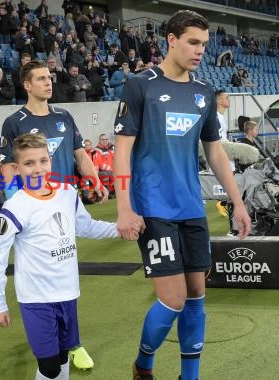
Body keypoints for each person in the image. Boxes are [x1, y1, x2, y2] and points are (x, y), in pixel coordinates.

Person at [112, 10, 251, 380]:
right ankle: (144, 364)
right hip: (153, 206)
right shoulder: (140, 84)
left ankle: (190, 377)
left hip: (191, 207)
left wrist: (237, 202)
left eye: (204, 44)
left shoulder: (204, 92)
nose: (199, 50)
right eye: (192, 42)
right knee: (172, 300)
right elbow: (122, 149)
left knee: (196, 295)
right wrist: (124, 207)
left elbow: (216, 152)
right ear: (170, 40)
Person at [0, 59, 106, 370]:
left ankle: (74, 342)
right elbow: (8, 165)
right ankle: (62, 346)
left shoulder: (64, 116)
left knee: (66, 272)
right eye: (41, 78)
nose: (48, 82)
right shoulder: (14, 121)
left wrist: (94, 179)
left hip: (65, 199)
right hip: (34, 210)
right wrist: (10, 199)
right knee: (48, 275)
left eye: (50, 77)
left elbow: (79, 154)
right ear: (27, 85)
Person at [0, 133, 118, 380]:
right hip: (36, 299)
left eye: (43, 161)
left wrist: (119, 228)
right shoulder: (14, 208)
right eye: (29, 163)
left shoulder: (67, 192)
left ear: (50, 161)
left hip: (68, 293)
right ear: (16, 169)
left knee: (62, 357)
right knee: (49, 367)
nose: (38, 169)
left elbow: (85, 227)